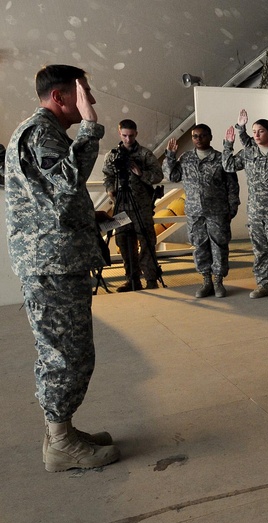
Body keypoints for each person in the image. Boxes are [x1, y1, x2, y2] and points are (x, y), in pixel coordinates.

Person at [6, 64, 119, 471]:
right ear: (61, 96)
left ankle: (63, 431)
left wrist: (90, 221)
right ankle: (60, 442)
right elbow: (68, 181)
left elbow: (52, 199)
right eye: (85, 93)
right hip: (50, 264)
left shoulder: (41, 133)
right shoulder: (41, 133)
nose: (91, 100)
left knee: (63, 351)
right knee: (66, 355)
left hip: (52, 259)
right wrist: (90, 127)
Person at [223, 113, 268, 299]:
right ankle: (263, 284)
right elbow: (229, 165)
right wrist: (228, 145)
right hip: (255, 210)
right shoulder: (248, 153)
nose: (256, 135)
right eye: (254, 131)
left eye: (261, 131)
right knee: (260, 250)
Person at [163, 125, 241, 298]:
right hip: (195, 212)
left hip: (217, 211)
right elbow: (172, 176)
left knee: (219, 246)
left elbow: (232, 186)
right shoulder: (186, 158)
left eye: (202, 136)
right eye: (195, 136)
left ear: (210, 137)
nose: (198, 139)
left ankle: (218, 281)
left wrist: (232, 208)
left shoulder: (220, 158)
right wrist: (170, 155)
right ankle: (206, 281)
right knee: (200, 246)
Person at [102, 118, 163, 292]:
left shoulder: (145, 154)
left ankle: (151, 279)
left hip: (141, 206)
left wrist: (140, 173)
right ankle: (132, 280)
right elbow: (107, 176)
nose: (128, 139)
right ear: (119, 133)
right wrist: (110, 190)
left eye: (131, 135)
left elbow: (157, 175)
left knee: (147, 242)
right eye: (124, 135)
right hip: (121, 205)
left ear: (136, 133)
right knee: (124, 242)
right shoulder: (112, 155)